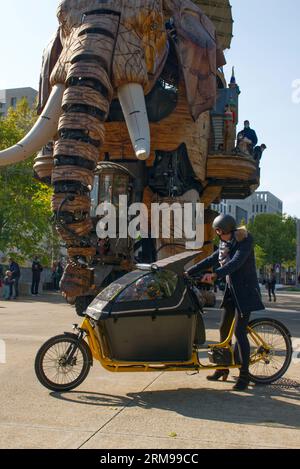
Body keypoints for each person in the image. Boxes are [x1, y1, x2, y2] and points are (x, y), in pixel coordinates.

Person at [186, 214, 265, 391]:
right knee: (223, 328)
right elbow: (211, 259)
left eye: (219, 232)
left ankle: (244, 376)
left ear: (227, 230)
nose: (218, 236)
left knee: (239, 331)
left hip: (245, 293)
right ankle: (222, 368)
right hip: (232, 291)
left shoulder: (244, 241)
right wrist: (188, 272)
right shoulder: (225, 243)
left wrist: (215, 275)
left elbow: (236, 263)